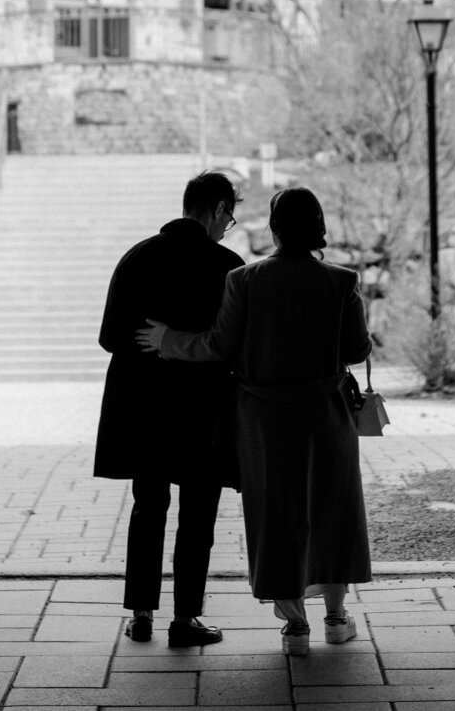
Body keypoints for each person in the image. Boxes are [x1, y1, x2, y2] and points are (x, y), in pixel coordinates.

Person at [137, 186, 372, 657]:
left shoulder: (244, 280)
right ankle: (336, 617)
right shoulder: (342, 282)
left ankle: (295, 627)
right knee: (332, 513)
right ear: (319, 226)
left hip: (263, 422)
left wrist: (167, 340)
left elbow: (218, 347)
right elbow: (357, 351)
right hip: (327, 418)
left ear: (274, 227)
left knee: (278, 517)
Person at [93, 171, 244, 647]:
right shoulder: (227, 265)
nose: (228, 226)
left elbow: (108, 338)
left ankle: (141, 613)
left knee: (148, 507)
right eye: (230, 217)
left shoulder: (137, 257)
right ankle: (185, 620)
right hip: (202, 410)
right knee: (198, 513)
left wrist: (150, 345)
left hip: (142, 408)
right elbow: (232, 346)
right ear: (218, 209)